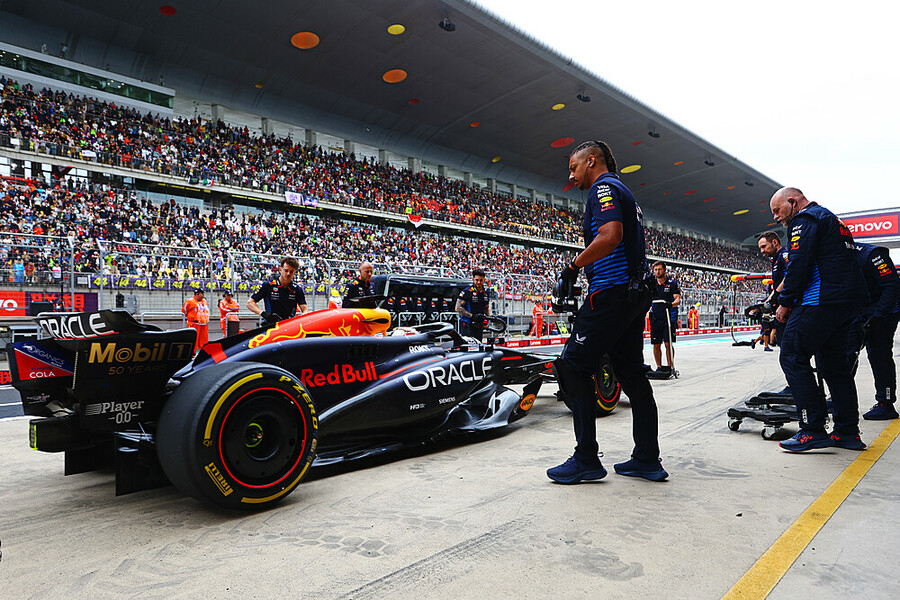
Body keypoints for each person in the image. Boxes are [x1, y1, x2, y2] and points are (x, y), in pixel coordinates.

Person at [547, 140, 665, 484]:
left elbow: (611, 235)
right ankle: (647, 458)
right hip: (633, 293)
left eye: (573, 167)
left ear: (591, 161)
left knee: (572, 367)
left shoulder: (603, 189)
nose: (571, 176)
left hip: (612, 291)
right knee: (631, 374)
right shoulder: (624, 191)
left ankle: (586, 458)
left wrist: (572, 267)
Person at [771, 187, 869, 451]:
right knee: (834, 367)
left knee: (792, 356)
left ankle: (812, 429)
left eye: (777, 211)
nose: (776, 218)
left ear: (792, 202)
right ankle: (847, 432)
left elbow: (799, 264)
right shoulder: (832, 219)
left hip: (819, 301)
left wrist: (784, 302)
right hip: (845, 305)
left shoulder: (804, 219)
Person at [854, 242, 900, 420]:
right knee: (846, 354)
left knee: (879, 354)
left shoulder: (872, 254)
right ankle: (838, 399)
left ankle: (886, 403)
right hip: (860, 311)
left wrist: (878, 317)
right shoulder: (837, 255)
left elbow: (892, 286)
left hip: (885, 312)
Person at [247, 256, 308, 324]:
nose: (288, 273)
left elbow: (305, 310)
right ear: (280, 270)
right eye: (286, 270)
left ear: (294, 272)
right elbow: (250, 303)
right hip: (271, 326)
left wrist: (299, 320)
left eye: (291, 271)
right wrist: (264, 314)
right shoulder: (268, 285)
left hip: (289, 326)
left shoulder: (297, 289)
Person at [648, 261, 681, 375]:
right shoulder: (652, 284)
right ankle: (659, 367)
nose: (657, 272)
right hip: (655, 317)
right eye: (655, 270)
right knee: (656, 344)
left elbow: (678, 299)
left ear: (664, 270)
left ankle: (670, 366)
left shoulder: (672, 283)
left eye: (659, 269)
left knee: (668, 343)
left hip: (668, 317)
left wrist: (670, 304)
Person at [757, 231, 789, 347]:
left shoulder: (784, 255)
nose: (762, 251)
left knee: (788, 347)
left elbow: (790, 275)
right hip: (781, 306)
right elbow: (777, 286)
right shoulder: (775, 259)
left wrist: (774, 297)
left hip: (788, 306)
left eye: (764, 246)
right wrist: (767, 302)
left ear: (775, 242)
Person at [456, 268, 490, 340]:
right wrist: (472, 316)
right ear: (473, 279)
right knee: (469, 345)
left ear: (484, 280)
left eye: (481, 280)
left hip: (479, 324)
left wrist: (489, 318)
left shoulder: (485, 292)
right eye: (477, 280)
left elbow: (487, 307)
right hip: (468, 324)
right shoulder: (467, 291)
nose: (479, 282)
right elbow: (458, 308)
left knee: (479, 344)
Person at [182, 288, 210, 352]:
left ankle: (203, 353)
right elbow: (184, 311)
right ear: (197, 294)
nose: (203, 295)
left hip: (203, 324)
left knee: (204, 340)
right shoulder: (189, 301)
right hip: (194, 324)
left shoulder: (204, 301)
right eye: (202, 293)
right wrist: (191, 317)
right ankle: (192, 353)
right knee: (194, 340)